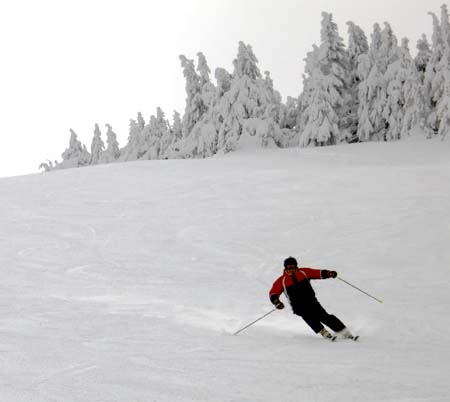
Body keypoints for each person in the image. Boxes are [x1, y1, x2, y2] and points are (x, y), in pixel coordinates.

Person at [269, 256, 355, 341]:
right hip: (297, 305)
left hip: (311, 301)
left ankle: (343, 331)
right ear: (285, 268)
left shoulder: (303, 272)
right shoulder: (282, 280)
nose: (291, 269)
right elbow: (273, 292)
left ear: (296, 266)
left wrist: (329, 273)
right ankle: (323, 331)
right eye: (288, 267)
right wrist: (276, 302)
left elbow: (317, 273)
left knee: (324, 316)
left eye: (293, 267)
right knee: (308, 317)